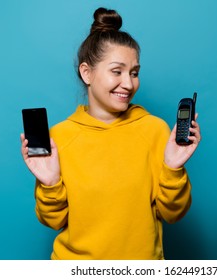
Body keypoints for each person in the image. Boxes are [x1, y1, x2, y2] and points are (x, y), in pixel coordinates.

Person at [20, 7, 201, 260]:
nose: (128, 84)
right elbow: (54, 220)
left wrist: (173, 169)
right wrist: (50, 185)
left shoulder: (155, 130)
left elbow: (174, 213)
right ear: (87, 73)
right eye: (117, 71)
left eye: (134, 73)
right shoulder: (60, 138)